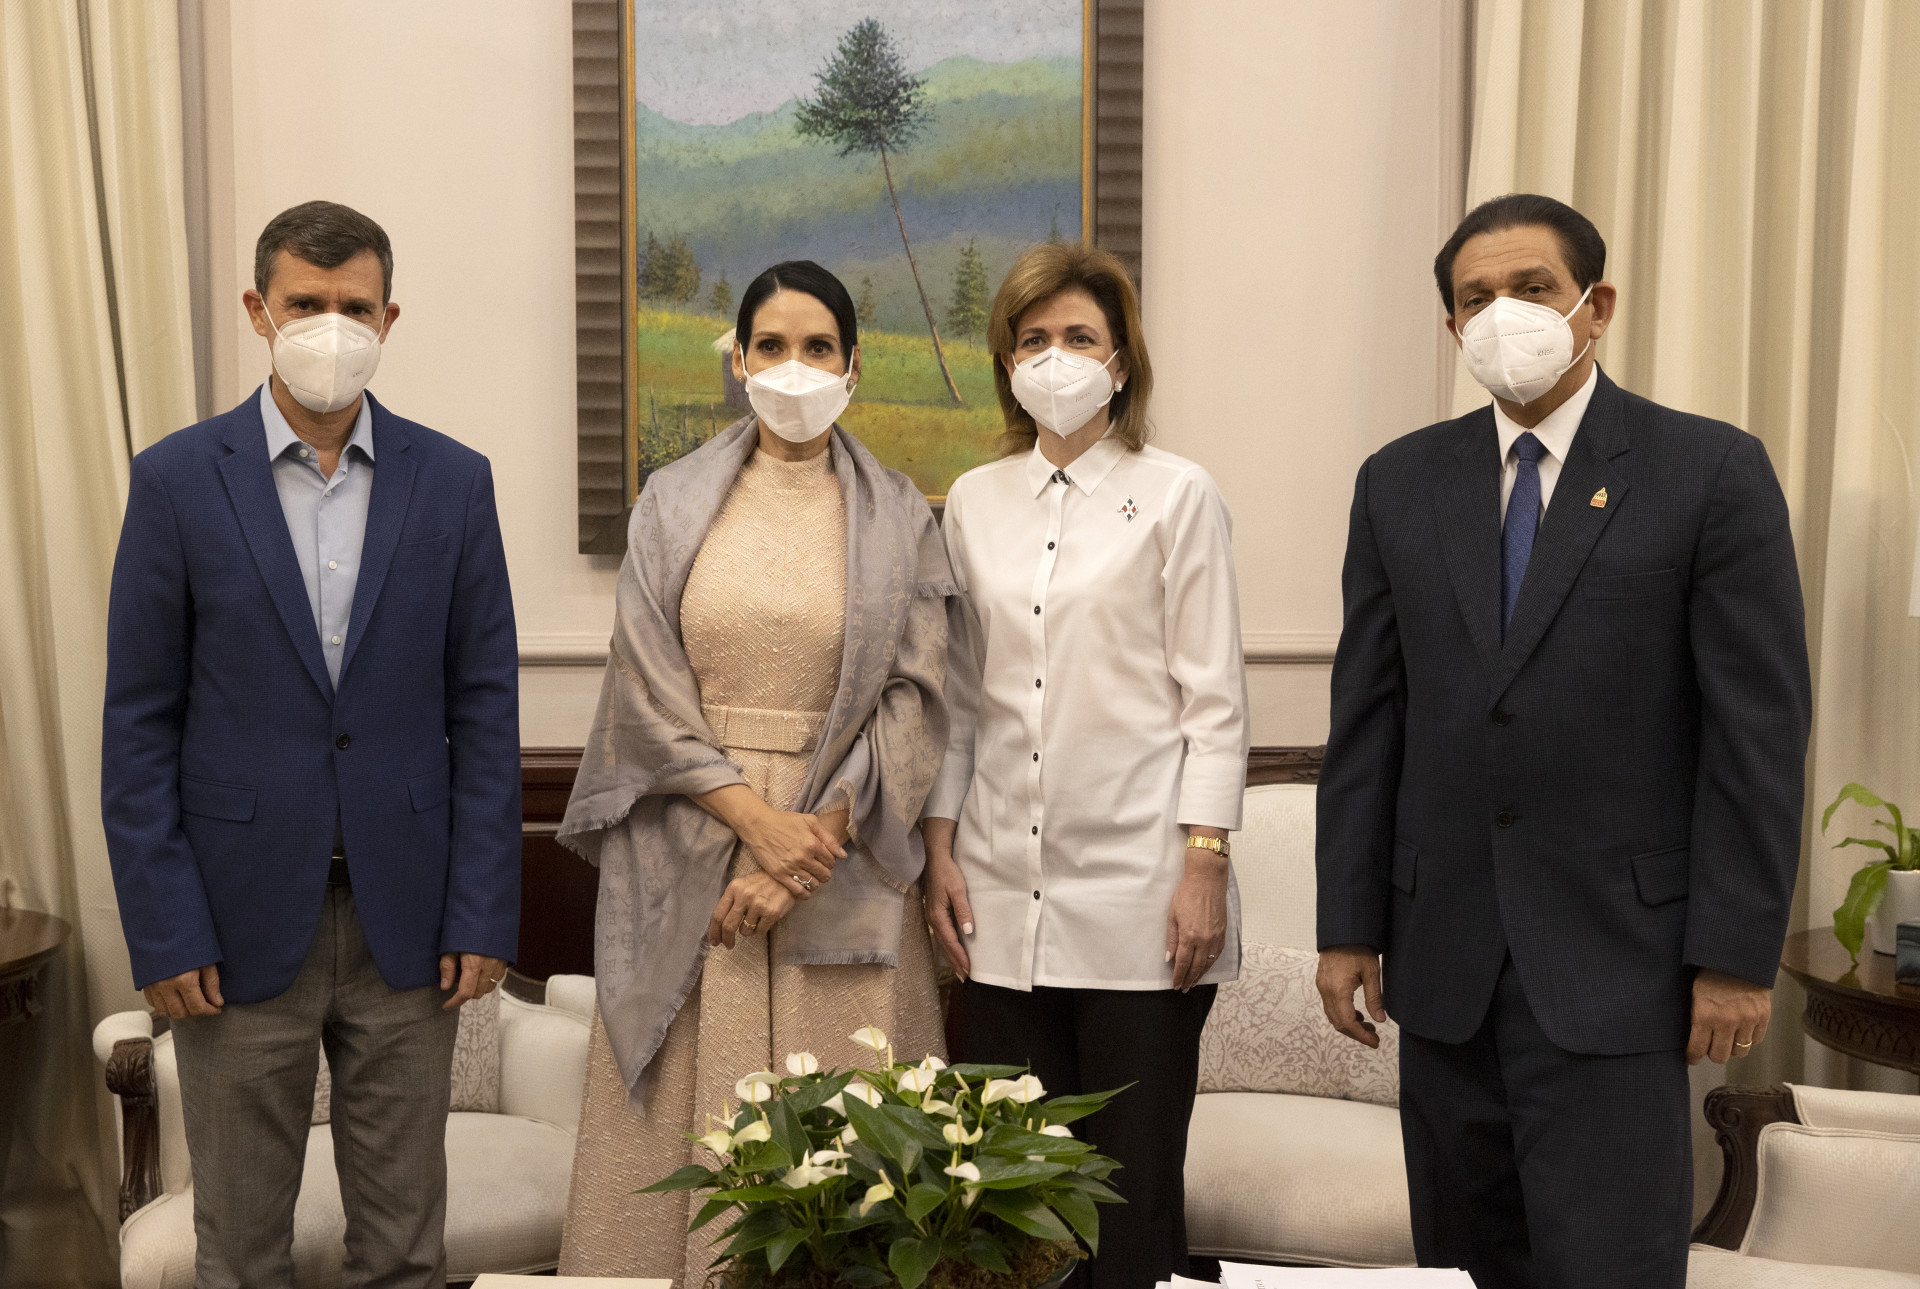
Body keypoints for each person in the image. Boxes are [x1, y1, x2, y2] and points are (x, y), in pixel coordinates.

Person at [1315, 193, 1812, 1289]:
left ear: (1598, 304)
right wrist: (1347, 925)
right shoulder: (1398, 481)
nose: (1505, 313)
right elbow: (1369, 720)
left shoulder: (1709, 470)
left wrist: (1736, 954)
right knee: (1464, 1267)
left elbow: (1758, 735)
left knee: (1611, 1270)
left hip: (1621, 965)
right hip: (1442, 968)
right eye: (1476, 297)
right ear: (1453, 326)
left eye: (1532, 287)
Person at [101, 200, 522, 1288]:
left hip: (410, 929)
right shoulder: (176, 479)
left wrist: (483, 910)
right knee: (241, 1255)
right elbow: (139, 724)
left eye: (354, 306)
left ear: (389, 317)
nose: (330, 326)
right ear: (259, 310)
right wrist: (164, 926)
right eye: (305, 303)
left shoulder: (454, 479)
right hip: (233, 930)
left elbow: (484, 711)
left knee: (404, 1252)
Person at [556, 261, 953, 1282]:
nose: (793, 368)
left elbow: (914, 699)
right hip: (696, 842)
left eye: (818, 347)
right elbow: (642, 684)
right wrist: (757, 825)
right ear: (737, 360)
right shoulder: (672, 501)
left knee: (853, 1155)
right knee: (689, 1146)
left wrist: (805, 849)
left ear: (854, 366)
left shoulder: (902, 514)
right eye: (771, 346)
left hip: (845, 848)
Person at [921, 242, 1250, 1289]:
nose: (1055, 357)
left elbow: (1214, 701)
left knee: (1126, 1203)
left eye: (1079, 336)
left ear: (1120, 361)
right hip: (997, 903)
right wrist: (939, 848)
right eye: (1033, 339)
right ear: (1006, 362)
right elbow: (960, 699)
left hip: (1143, 904)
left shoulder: (1177, 494)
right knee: (1005, 1208)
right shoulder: (973, 500)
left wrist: (1205, 863)